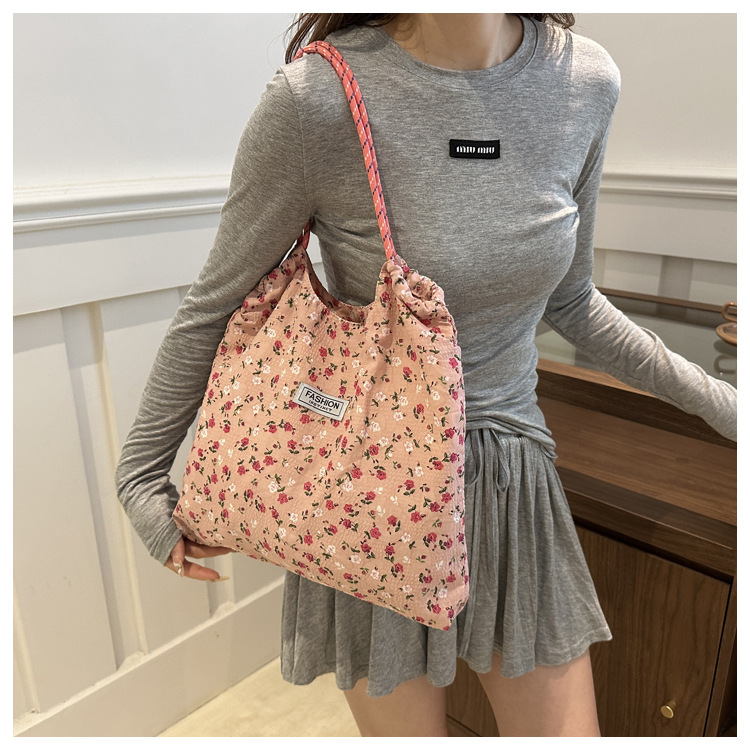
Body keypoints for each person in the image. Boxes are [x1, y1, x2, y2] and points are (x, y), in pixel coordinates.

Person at [115, 13, 737, 737]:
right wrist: (140, 475)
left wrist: (726, 407)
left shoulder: (584, 82)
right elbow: (217, 302)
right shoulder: (317, 98)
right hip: (367, 491)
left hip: (509, 487)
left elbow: (572, 300)